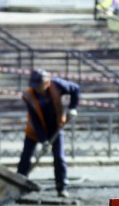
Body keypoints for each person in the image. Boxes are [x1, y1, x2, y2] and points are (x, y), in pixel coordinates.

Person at [16, 69, 80, 198]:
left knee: (59, 158)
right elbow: (34, 119)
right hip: (34, 130)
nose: (37, 89)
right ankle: (17, 186)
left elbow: (76, 89)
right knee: (25, 157)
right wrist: (44, 140)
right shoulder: (29, 95)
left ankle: (62, 187)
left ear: (46, 83)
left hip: (56, 127)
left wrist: (72, 108)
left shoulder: (57, 85)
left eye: (39, 86)